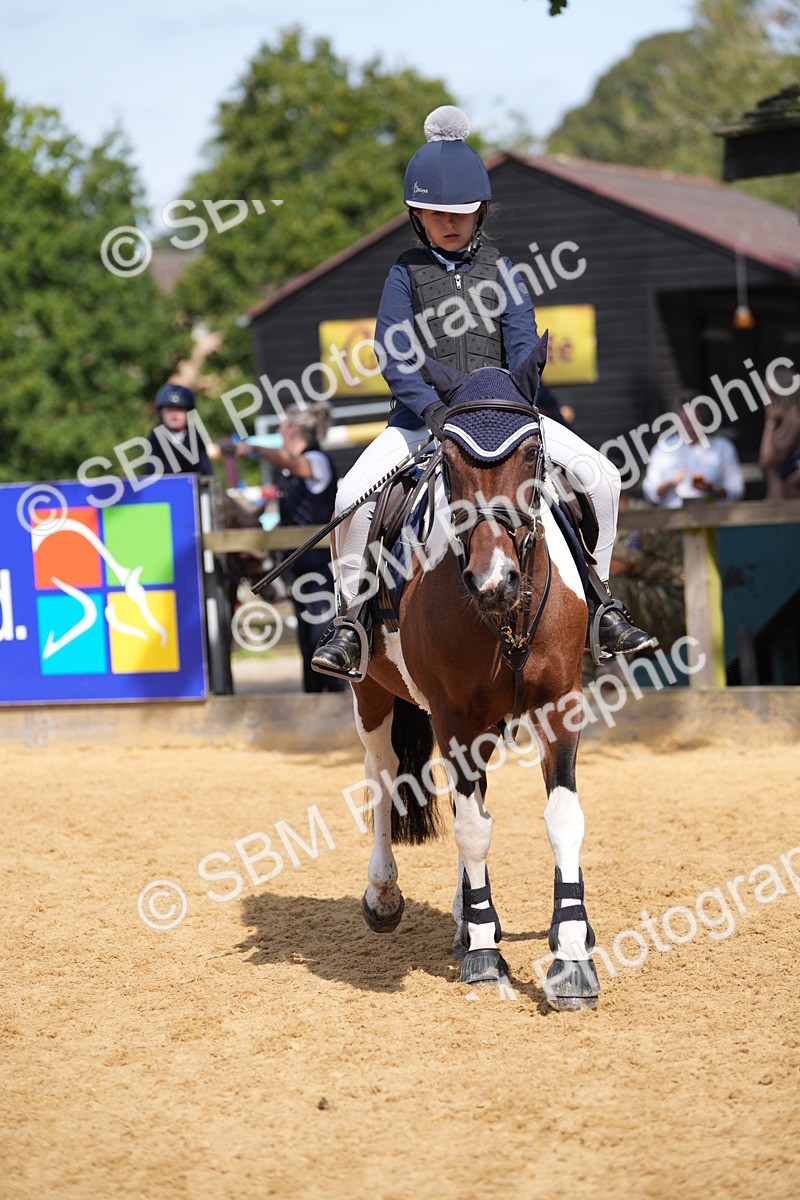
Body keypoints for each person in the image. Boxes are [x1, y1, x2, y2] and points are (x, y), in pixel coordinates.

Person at [312, 106, 655, 679]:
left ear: (481, 213)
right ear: (418, 215)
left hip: (504, 418)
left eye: (462, 214)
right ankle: (352, 621)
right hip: (422, 420)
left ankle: (599, 604)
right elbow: (394, 354)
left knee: (602, 477)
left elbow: (524, 349)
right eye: (438, 214)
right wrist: (433, 411)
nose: (451, 224)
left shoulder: (504, 269)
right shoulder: (403, 272)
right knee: (352, 493)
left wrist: (506, 407)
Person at [238, 403, 344, 694]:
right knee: (307, 635)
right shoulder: (290, 469)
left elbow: (294, 464)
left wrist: (256, 448)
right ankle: (314, 698)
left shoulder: (314, 461)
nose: (278, 431)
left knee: (319, 633)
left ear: (293, 430)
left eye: (282, 426)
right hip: (297, 566)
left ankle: (333, 697)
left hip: (317, 564)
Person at [642, 392, 744, 508]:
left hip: (713, 517)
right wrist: (670, 482)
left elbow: (737, 490)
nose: (689, 427)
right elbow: (650, 493)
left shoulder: (723, 447)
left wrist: (714, 489)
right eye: (685, 422)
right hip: (671, 519)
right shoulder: (662, 449)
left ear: (704, 420)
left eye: (694, 422)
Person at [144, 383, 214, 475]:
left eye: (179, 409)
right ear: (160, 413)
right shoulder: (155, 438)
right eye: (169, 409)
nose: (174, 415)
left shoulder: (195, 437)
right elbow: (151, 474)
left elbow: (206, 472)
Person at [759, 366, 800, 500]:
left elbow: (768, 460)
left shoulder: (796, 421)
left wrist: (770, 423)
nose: (770, 399)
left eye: (772, 393)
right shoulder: (779, 424)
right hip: (776, 502)